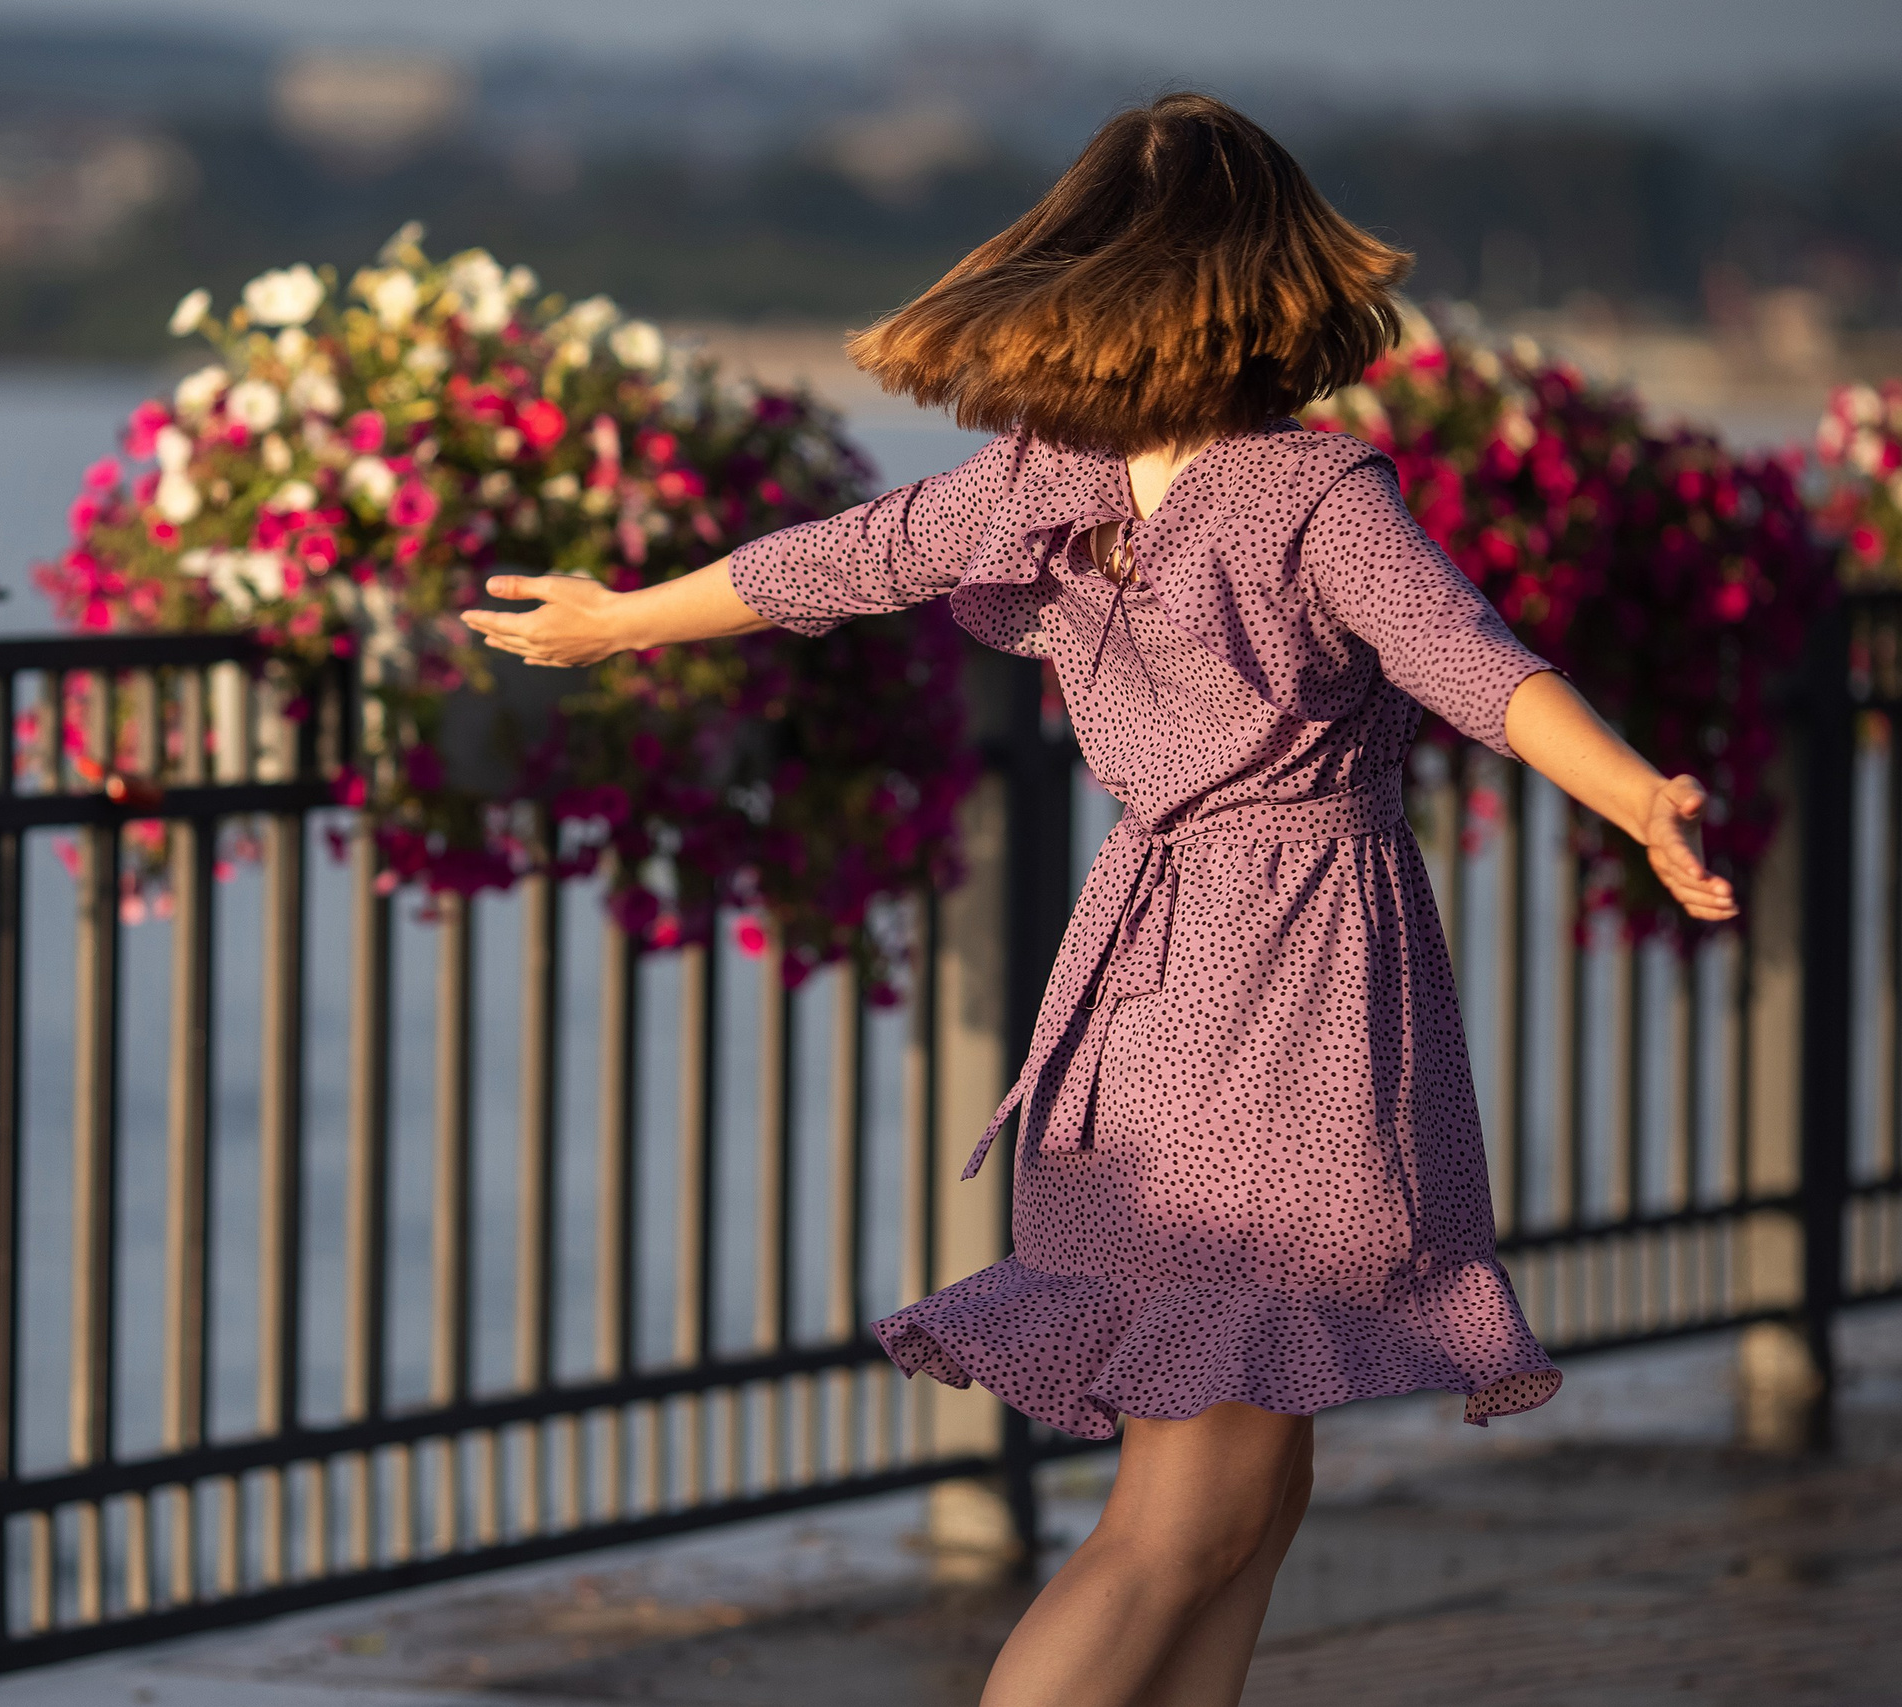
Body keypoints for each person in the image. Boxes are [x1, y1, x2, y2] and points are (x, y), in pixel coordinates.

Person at [465, 92, 1738, 1707]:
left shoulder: (1035, 487)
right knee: (1182, 1517)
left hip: (1145, 1005)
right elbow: (1474, 668)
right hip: (1276, 1004)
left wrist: (618, 621)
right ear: (1282, 282)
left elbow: (830, 563)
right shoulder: (1308, 494)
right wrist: (1634, 794)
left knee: (1246, 1503)